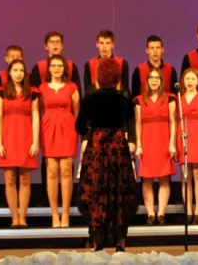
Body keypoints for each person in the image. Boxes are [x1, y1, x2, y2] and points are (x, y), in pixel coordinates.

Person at [75, 57, 137, 252]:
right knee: (120, 191)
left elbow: (79, 126)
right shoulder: (124, 99)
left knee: (96, 190)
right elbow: (130, 119)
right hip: (118, 146)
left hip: (97, 147)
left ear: (99, 76)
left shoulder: (90, 98)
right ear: (117, 77)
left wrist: (92, 127)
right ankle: (120, 242)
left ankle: (98, 241)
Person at [0, 59, 40, 227]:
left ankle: (23, 218)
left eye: (21, 70)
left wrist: (35, 141)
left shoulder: (32, 93)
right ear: (9, 72)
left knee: (25, 178)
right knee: (9, 178)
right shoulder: (1, 92)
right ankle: (14, 218)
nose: (19, 73)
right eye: (15, 70)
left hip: (26, 136)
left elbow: (35, 117)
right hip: (8, 136)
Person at [38, 54, 80, 227]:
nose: (56, 68)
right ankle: (54, 214)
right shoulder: (42, 88)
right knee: (51, 171)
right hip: (48, 128)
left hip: (67, 128)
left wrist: (73, 129)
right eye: (54, 65)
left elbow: (77, 111)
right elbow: (40, 111)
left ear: (64, 69)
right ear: (48, 69)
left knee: (66, 170)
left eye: (60, 66)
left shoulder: (72, 87)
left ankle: (66, 214)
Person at [134, 67, 177, 225]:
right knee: (147, 180)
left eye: (157, 78)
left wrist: (172, 143)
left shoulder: (170, 98)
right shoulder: (139, 100)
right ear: (147, 81)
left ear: (161, 81)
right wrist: (139, 145)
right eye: (151, 78)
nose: (154, 80)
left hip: (163, 141)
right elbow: (138, 125)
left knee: (164, 179)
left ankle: (161, 214)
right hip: (147, 142)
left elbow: (173, 122)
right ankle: (151, 214)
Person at [176, 67, 198, 224]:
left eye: (192, 78)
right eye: (187, 78)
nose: (189, 81)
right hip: (183, 137)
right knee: (186, 176)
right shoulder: (178, 98)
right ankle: (188, 211)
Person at [131, 34, 178, 99]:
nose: (155, 51)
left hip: (166, 105)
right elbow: (135, 97)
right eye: (152, 48)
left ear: (162, 50)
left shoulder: (171, 70)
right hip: (145, 104)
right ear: (147, 51)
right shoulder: (138, 70)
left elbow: (174, 95)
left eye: (158, 47)